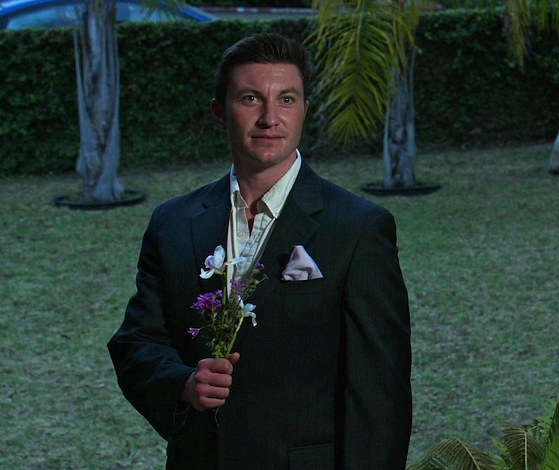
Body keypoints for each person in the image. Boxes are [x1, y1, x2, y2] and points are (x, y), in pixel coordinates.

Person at [107, 33, 412, 469]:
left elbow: (380, 394)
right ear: (219, 111)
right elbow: (137, 342)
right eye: (251, 98)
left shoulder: (358, 228)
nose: (270, 118)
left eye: (286, 99)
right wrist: (183, 384)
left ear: (304, 109)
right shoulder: (172, 222)